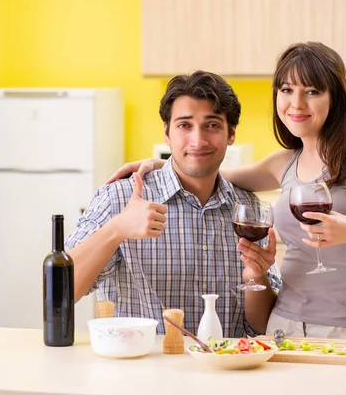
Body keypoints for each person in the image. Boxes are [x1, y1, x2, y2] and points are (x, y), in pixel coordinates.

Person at [106, 42, 346, 340]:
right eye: (287, 90)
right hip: (282, 326)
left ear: (335, 97)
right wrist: (161, 162)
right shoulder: (284, 163)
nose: (296, 103)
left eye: (312, 90)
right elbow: (211, 173)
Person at [65, 70, 281, 337]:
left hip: (226, 373)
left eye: (212, 125)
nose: (198, 141)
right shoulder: (120, 199)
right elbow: (58, 291)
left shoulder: (248, 210)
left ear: (231, 134)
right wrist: (117, 229)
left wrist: (256, 278)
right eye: (184, 125)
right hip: (143, 372)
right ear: (167, 133)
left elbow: (262, 327)